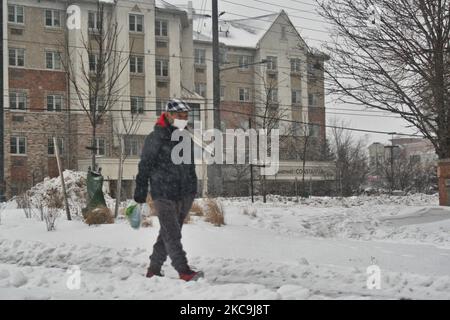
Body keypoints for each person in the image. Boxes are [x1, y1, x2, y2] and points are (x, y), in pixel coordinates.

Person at [133, 99, 203, 282]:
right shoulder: (155, 137)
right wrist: (140, 189)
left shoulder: (185, 136)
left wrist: (192, 187)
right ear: (169, 115)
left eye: (186, 116)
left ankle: (154, 269)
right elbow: (145, 165)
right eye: (180, 116)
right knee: (172, 233)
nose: (184, 119)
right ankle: (184, 271)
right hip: (163, 192)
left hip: (184, 192)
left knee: (168, 232)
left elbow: (189, 165)